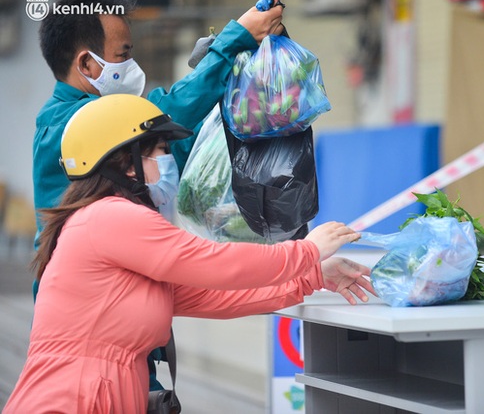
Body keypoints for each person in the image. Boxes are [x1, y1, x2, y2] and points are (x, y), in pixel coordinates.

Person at [4, 94, 374, 412]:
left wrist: (313, 276)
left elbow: (214, 295)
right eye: (161, 151)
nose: (170, 163)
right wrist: (305, 252)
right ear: (127, 162)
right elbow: (215, 263)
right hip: (72, 400)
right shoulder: (110, 217)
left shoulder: (108, 223)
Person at [33, 0, 285, 389]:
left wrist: (229, 75)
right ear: (87, 63)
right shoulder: (69, 127)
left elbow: (170, 148)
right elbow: (159, 115)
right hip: (92, 348)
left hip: (123, 333)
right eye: (124, 55)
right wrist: (232, 43)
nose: (131, 65)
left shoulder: (111, 137)